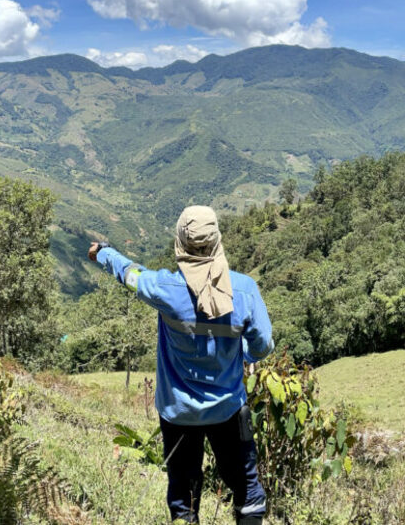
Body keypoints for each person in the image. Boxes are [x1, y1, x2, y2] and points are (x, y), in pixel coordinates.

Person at [86, 205, 274, 524]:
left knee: (184, 499)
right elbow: (263, 345)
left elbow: (129, 274)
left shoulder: (164, 288)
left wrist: (103, 252)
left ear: (181, 244)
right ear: (216, 241)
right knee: (247, 491)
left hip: (179, 414)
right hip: (228, 409)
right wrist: (242, 355)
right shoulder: (244, 290)